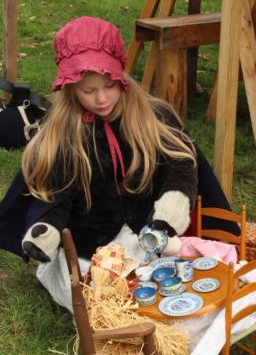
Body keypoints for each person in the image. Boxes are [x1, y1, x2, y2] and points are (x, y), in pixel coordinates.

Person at [0, 16, 238, 312]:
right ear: (71, 88)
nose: (101, 99)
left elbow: (181, 162)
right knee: (100, 301)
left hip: (147, 236)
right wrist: (47, 226)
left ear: (121, 77)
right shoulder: (64, 135)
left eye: (109, 86)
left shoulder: (153, 116)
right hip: (92, 247)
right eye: (89, 91)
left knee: (174, 291)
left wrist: (174, 200)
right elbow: (56, 190)